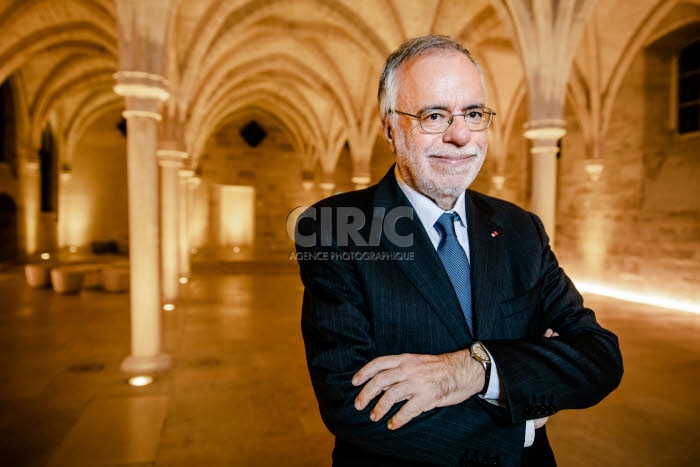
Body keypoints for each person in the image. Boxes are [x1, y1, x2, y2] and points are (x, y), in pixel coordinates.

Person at [294, 35, 623, 467]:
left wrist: (475, 370)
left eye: (473, 113)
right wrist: (524, 413)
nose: (461, 134)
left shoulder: (521, 228)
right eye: (434, 115)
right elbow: (352, 403)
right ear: (390, 128)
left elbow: (599, 357)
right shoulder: (335, 228)